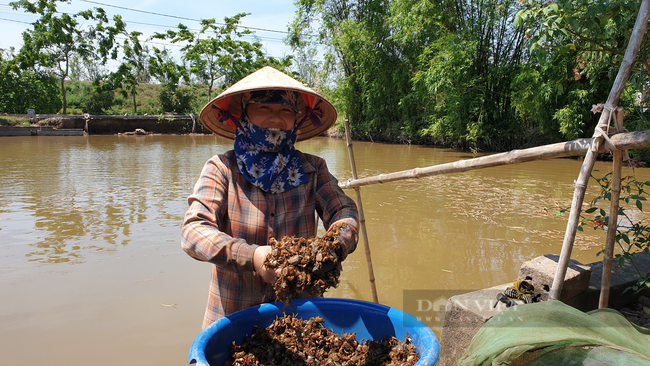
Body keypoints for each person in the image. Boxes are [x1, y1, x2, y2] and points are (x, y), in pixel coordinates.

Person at [181, 66, 359, 328]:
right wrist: (252, 257)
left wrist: (334, 246)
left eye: (286, 110)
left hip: (298, 319)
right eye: (264, 108)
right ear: (245, 114)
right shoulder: (222, 168)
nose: (276, 118)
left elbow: (343, 209)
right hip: (231, 318)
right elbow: (193, 231)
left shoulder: (313, 168)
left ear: (296, 119)